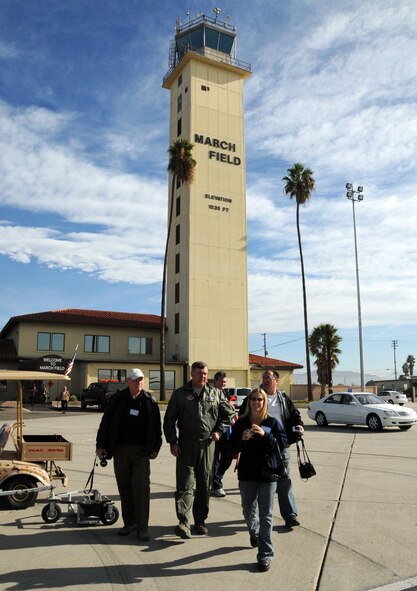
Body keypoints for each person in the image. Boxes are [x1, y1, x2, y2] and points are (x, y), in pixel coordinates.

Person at [163, 360, 235, 539]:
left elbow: (229, 414)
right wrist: (173, 442)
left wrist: (219, 431)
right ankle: (184, 522)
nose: (202, 377)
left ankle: (200, 521)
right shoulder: (180, 394)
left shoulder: (215, 393)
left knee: (204, 484)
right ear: (191, 374)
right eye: (199, 374)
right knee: (185, 484)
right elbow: (169, 420)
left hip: (208, 445)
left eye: (205, 374)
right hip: (185, 445)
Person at [96, 368, 162, 541]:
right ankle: (130, 523)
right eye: (135, 380)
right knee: (125, 488)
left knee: (141, 489)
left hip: (142, 452)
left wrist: (156, 447)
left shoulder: (149, 400)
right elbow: (106, 423)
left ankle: (142, 527)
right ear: (128, 381)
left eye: (141, 379)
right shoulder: (117, 400)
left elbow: (157, 427)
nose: (139, 382)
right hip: (120, 450)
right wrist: (100, 445)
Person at [230, 388, 287, 572]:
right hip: (247, 474)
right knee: (248, 511)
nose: (256, 402)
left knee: (266, 515)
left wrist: (265, 435)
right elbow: (231, 446)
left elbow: (281, 444)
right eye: (253, 399)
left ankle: (265, 554)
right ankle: (254, 532)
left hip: (267, 474)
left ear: (264, 402)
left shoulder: (272, 422)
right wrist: (242, 439)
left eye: (260, 399)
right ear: (249, 402)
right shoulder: (242, 423)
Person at [261, 370, 304, 528]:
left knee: (284, 481)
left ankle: (290, 515)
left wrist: (300, 425)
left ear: (276, 380)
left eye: (268, 378)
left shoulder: (283, 399)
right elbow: (246, 416)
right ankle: (263, 514)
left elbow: (295, 415)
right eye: (263, 378)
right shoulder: (256, 396)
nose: (265, 380)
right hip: (262, 447)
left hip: (281, 446)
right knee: (264, 483)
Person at [211, 371, 236, 498]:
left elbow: (230, 413)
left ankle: (217, 476)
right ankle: (216, 485)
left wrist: (231, 407)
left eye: (225, 382)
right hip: (214, 431)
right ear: (215, 381)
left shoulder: (225, 393)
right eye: (221, 381)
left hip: (226, 431)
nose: (223, 384)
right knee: (214, 459)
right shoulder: (209, 393)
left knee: (228, 457)